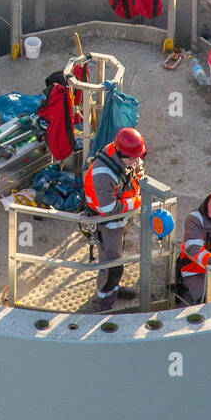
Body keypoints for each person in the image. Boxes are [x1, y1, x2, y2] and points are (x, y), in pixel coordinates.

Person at [83, 127, 145, 312]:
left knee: (117, 259)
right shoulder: (103, 175)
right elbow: (110, 209)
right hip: (108, 224)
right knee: (111, 266)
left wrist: (138, 171)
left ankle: (114, 290)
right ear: (120, 153)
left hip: (120, 221)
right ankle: (103, 304)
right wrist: (137, 202)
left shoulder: (123, 154)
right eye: (132, 159)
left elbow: (135, 168)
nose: (137, 161)